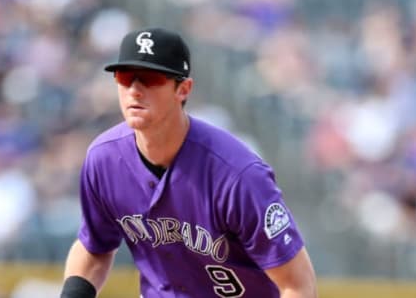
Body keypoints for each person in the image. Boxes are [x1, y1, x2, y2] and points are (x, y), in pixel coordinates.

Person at [60, 27, 317, 298]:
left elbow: (298, 285)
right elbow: (93, 247)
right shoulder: (104, 159)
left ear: (183, 89)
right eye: (125, 78)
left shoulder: (237, 175)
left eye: (149, 78)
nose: (134, 91)